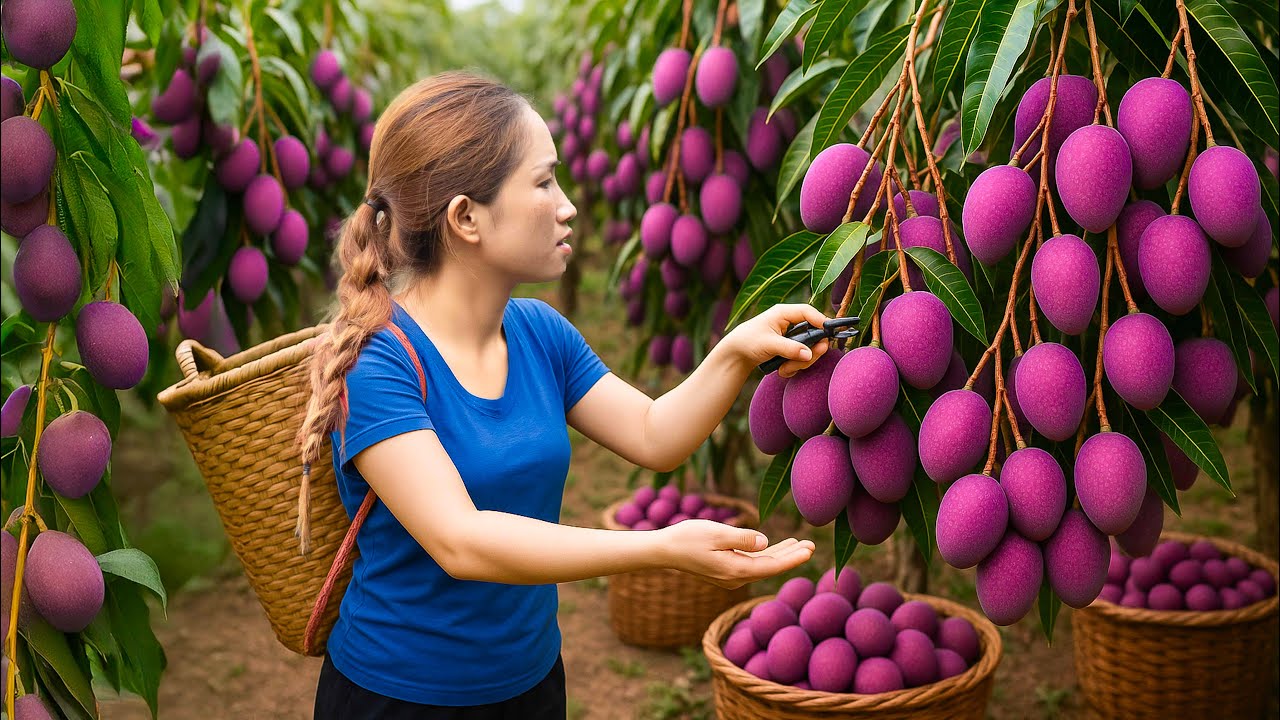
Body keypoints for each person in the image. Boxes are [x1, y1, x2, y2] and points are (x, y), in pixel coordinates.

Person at [296, 71, 831, 719]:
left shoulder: (539, 333)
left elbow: (654, 434)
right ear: (466, 217)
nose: (567, 204)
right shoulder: (375, 360)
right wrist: (660, 548)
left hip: (530, 682)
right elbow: (460, 540)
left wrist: (736, 350)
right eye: (544, 182)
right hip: (399, 696)